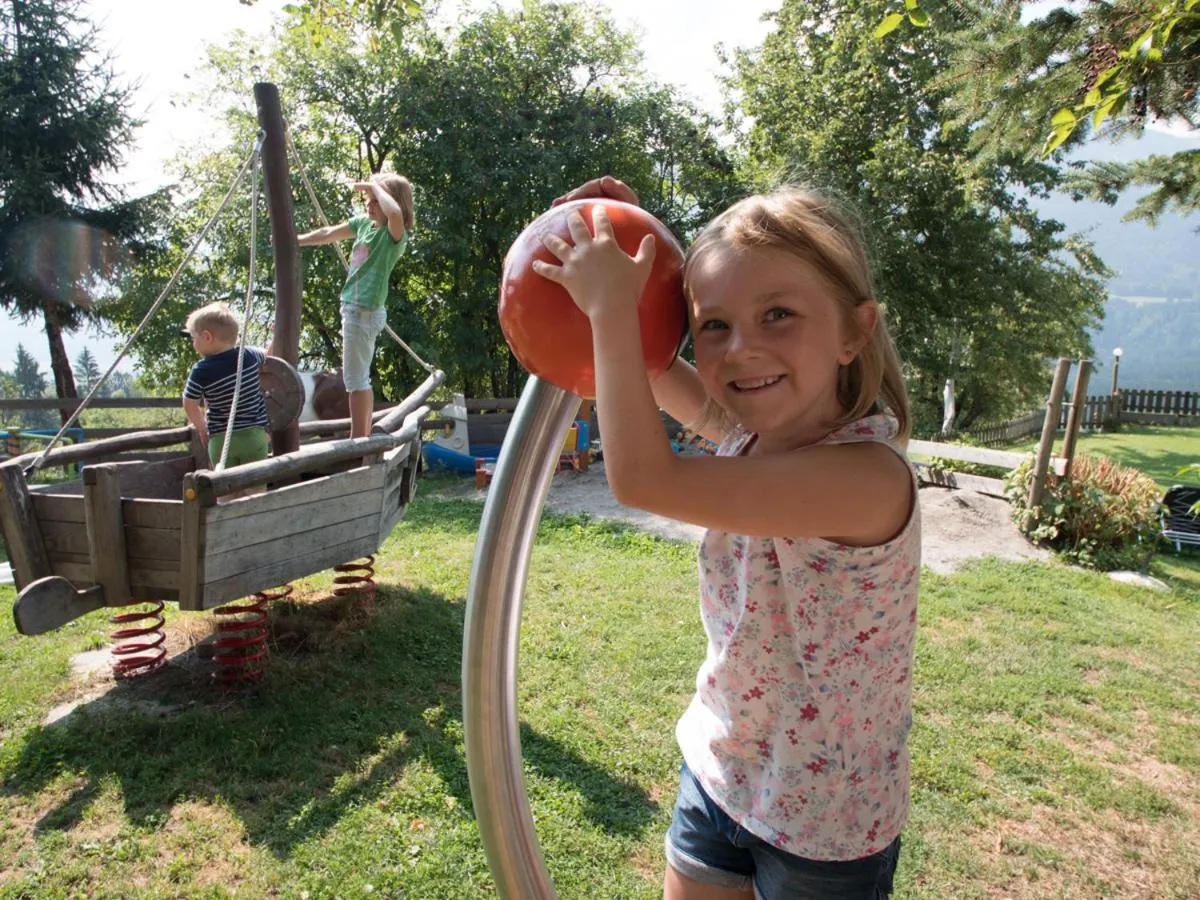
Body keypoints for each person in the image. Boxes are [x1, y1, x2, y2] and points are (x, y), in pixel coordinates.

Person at [535, 177, 920, 900]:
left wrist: (610, 308)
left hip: (825, 820)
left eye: (778, 314)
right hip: (721, 772)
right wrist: (623, 242)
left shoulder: (866, 478)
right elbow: (653, 366)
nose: (741, 348)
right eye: (714, 325)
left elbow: (645, 478)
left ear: (854, 331)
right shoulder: (750, 437)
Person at [297, 172, 415, 438]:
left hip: (364, 312)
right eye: (368, 200)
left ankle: (358, 439)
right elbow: (329, 233)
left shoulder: (393, 235)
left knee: (354, 380)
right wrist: (298, 239)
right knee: (359, 378)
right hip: (353, 310)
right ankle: (361, 435)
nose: (369, 205)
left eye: (375, 200)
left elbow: (395, 213)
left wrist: (375, 185)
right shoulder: (364, 224)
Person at [181, 302, 271, 496]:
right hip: (254, 437)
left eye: (194, 338)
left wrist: (202, 427)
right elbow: (270, 354)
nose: (193, 344)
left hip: (222, 441)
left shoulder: (201, 370)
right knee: (255, 493)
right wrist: (276, 334)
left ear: (207, 337)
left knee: (226, 493)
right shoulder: (248, 355)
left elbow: (189, 403)